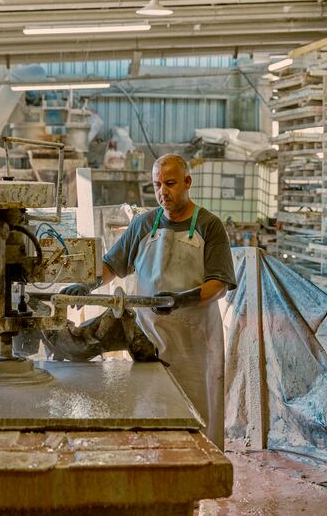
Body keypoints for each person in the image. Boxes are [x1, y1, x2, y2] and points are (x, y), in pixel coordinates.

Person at [64, 154, 236, 450]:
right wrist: (87, 284)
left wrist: (181, 299)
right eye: (157, 184)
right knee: (152, 411)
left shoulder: (210, 226)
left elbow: (219, 285)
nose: (162, 192)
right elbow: (112, 265)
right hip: (149, 339)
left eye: (169, 184)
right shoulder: (144, 225)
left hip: (195, 343)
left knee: (198, 416)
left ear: (187, 182)